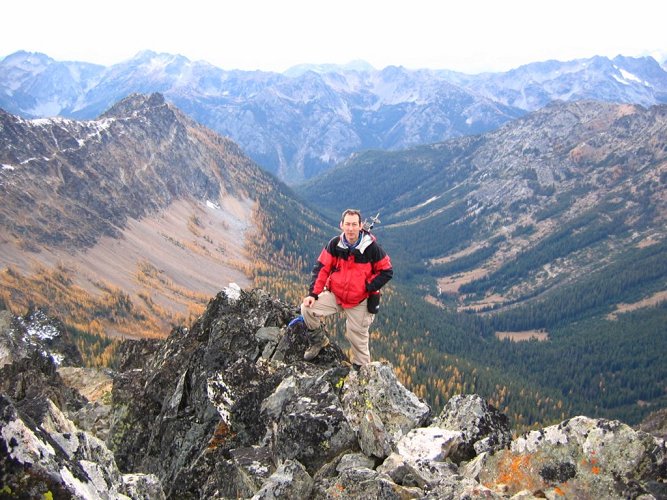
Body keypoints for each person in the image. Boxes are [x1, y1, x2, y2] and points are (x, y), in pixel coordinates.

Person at [300, 208, 393, 368]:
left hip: (360, 300)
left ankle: (362, 371)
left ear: (360, 225)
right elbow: (322, 269)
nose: (350, 228)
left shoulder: (371, 248)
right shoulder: (335, 245)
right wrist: (313, 294)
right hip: (336, 295)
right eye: (347, 224)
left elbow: (387, 271)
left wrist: (367, 287)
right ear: (341, 225)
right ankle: (318, 341)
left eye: (354, 224)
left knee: (356, 336)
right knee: (307, 309)